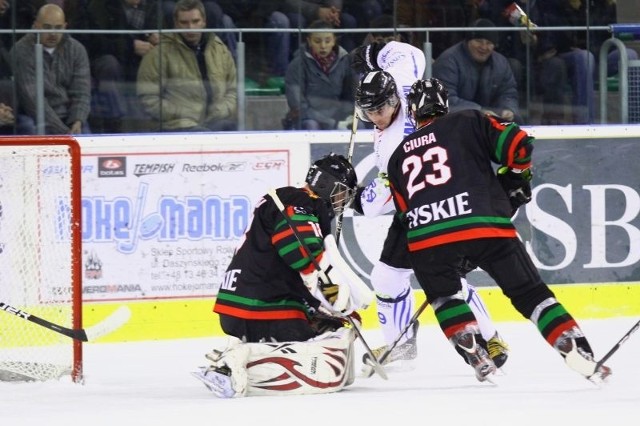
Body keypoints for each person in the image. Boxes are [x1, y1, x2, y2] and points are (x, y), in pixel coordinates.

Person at [384, 76, 612, 383]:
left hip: (428, 238)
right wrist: (516, 177)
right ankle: (572, 344)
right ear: (446, 105)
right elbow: (518, 144)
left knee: (446, 298)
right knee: (531, 294)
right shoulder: (467, 120)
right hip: (485, 225)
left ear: (413, 113)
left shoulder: (397, 156)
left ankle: (473, 348)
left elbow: (404, 213)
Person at [350, 40, 509, 370]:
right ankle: (401, 343)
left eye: (378, 110)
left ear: (393, 100)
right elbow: (411, 53)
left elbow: (380, 199)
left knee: (443, 276)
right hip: (433, 195)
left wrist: (351, 199)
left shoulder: (397, 144)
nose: (374, 117)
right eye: (367, 112)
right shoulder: (399, 77)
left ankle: (490, 337)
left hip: (435, 204)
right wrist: (374, 52)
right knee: (388, 277)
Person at [193, 153, 374, 398]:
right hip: (263, 305)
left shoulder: (291, 199)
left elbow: (293, 267)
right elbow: (299, 252)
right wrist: (333, 295)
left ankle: (242, 350)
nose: (343, 201)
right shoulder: (298, 201)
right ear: (327, 185)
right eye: (342, 192)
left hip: (246, 303)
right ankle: (233, 362)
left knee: (335, 323)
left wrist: (323, 308)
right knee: (324, 341)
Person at [136, 0, 237, 132]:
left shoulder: (220, 50)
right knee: (203, 134)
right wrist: (181, 113)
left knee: (236, 131)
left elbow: (233, 91)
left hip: (215, 121)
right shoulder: (159, 53)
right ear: (176, 23)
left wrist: (220, 110)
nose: (190, 28)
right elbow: (148, 98)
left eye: (195, 21)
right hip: (176, 125)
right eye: (184, 23)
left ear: (204, 22)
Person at [11, 3, 91, 134]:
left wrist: (77, 120)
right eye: (47, 27)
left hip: (70, 118)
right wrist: (64, 132)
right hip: (34, 118)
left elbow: (82, 92)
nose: (53, 33)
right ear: (36, 25)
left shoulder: (77, 49)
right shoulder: (21, 50)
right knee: (28, 127)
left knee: (88, 142)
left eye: (58, 28)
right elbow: (32, 100)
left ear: (65, 26)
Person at [86, 0, 164, 133]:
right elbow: (95, 43)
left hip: (145, 62)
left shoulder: (156, 6)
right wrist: (130, 46)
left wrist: (158, 37)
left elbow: (166, 36)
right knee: (109, 65)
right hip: (115, 62)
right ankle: (114, 124)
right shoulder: (99, 7)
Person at [432, 18, 522, 123]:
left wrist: (508, 109)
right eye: (478, 41)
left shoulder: (501, 63)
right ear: (468, 41)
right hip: (454, 123)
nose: (483, 47)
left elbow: (508, 93)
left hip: (490, 122)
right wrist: (479, 112)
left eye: (489, 43)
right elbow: (446, 100)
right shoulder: (448, 61)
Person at [283, 20, 357, 130]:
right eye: (317, 41)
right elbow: (298, 106)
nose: (323, 46)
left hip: (337, 114)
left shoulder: (345, 62)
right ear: (309, 41)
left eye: (327, 41)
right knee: (311, 125)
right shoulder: (297, 65)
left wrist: (350, 116)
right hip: (307, 117)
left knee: (358, 125)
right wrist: (331, 123)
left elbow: (351, 97)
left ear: (334, 41)